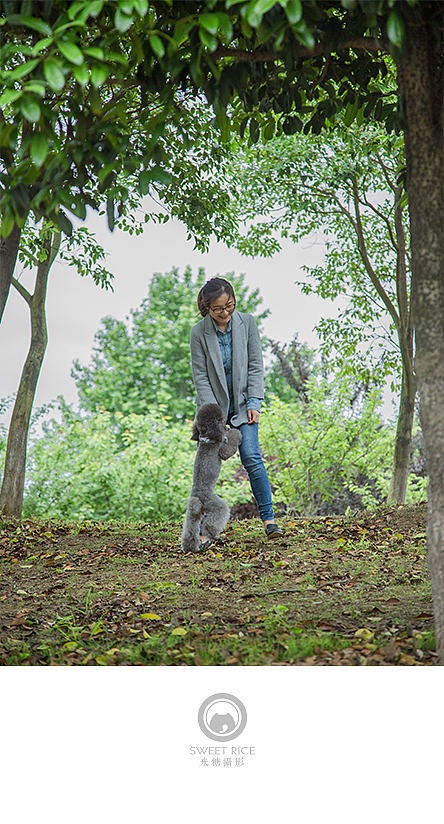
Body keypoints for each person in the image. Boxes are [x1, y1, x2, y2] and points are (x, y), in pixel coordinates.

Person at [190, 276, 283, 548]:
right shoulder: (198, 333)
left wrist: (254, 402)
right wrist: (212, 419)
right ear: (207, 307)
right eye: (218, 308)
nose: (225, 312)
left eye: (229, 305)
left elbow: (256, 366)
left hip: (244, 406)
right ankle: (204, 532)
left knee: (253, 458)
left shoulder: (248, 323)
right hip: (213, 412)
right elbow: (201, 376)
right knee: (205, 474)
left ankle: (269, 521)